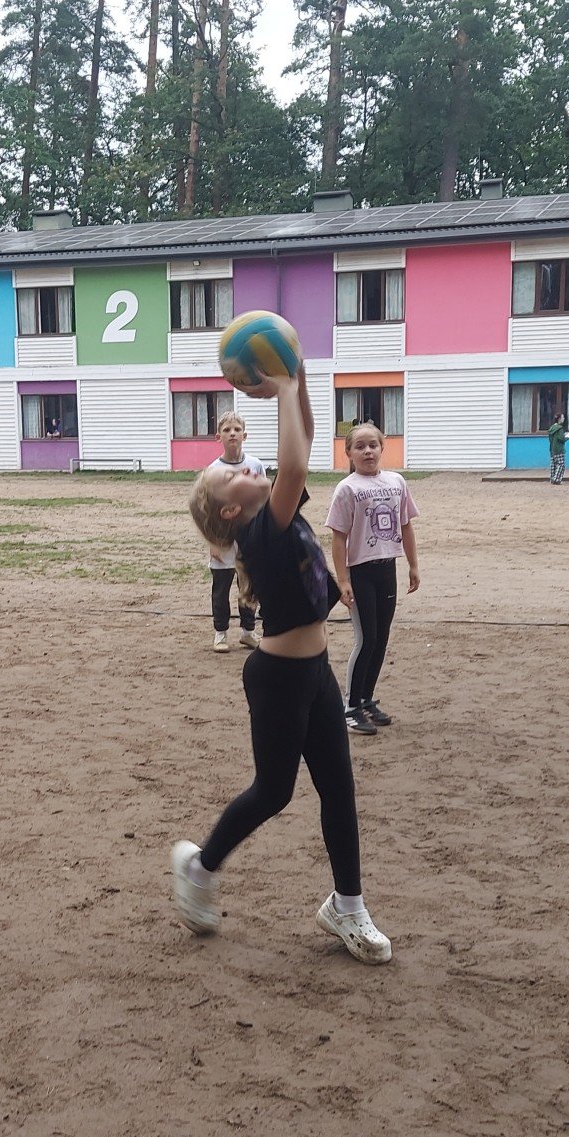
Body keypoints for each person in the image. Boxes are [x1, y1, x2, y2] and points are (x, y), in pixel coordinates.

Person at [174, 367, 392, 965]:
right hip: (277, 682)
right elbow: (294, 465)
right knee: (274, 792)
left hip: (316, 673)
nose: (245, 469)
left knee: (338, 789)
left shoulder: (277, 510)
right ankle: (200, 866)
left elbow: (307, 438)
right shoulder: (260, 534)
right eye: (230, 477)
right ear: (229, 512)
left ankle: (347, 907)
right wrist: (284, 388)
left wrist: (295, 374)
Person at [326, 421, 419, 737]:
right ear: (349, 453)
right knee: (365, 638)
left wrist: (413, 565)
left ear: (382, 447)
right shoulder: (347, 488)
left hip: (386, 569)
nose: (367, 451)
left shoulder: (396, 482)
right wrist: (343, 581)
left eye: (373, 445)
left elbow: (405, 525)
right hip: (360, 573)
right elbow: (338, 537)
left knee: (381, 637)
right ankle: (350, 707)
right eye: (360, 446)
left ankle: (366, 699)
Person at [206, 412, 264, 652]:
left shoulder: (255, 465)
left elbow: (263, 499)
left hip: (249, 538)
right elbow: (208, 508)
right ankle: (220, 633)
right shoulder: (213, 469)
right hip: (224, 538)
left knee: (248, 587)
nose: (232, 434)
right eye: (227, 430)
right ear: (218, 437)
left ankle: (248, 632)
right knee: (221, 588)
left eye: (237, 429)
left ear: (244, 435)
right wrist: (213, 541)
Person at [546, 412, 567, 484]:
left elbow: (550, 439)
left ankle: (552, 478)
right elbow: (561, 438)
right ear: (559, 419)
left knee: (553, 464)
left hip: (552, 448)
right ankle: (557, 479)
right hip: (559, 448)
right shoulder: (560, 428)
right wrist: (566, 437)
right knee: (561, 464)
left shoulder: (552, 428)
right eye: (563, 417)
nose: (564, 418)